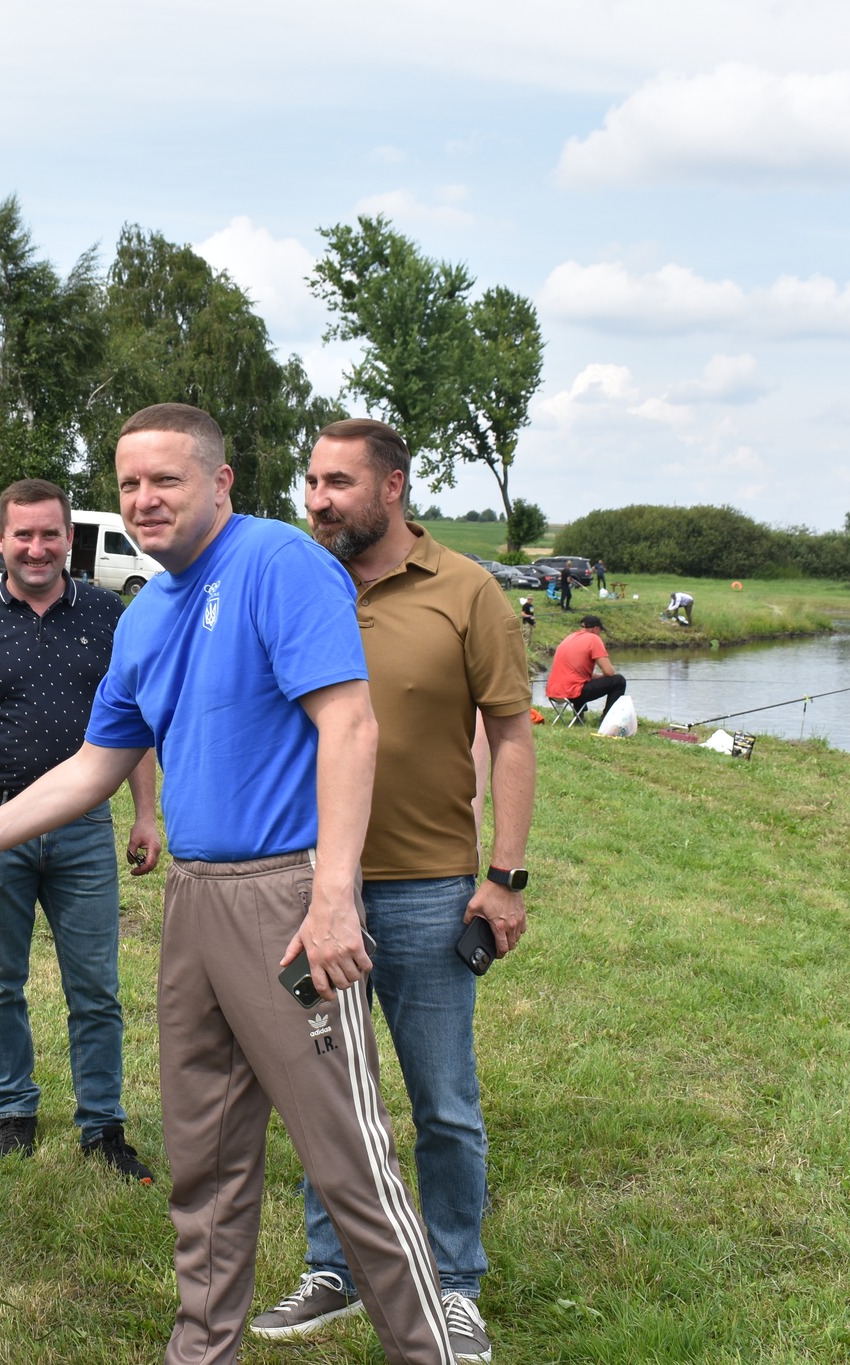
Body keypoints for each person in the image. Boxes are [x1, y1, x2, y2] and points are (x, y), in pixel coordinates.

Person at [0, 403, 459, 1364]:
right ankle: (203, 1349)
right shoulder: (148, 612)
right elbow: (95, 765)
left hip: (287, 898)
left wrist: (333, 896)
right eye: (129, 483)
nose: (145, 499)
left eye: (166, 478)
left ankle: (429, 1348)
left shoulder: (280, 563)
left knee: (348, 1161)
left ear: (220, 480)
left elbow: (350, 725)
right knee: (205, 1157)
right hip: (194, 901)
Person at [248, 417, 533, 1361]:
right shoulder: (301, 582)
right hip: (306, 881)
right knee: (326, 1089)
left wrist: (504, 876)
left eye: (338, 482)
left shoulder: (467, 591)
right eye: (311, 482)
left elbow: (512, 735)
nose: (318, 500)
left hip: (426, 890)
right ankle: (334, 1267)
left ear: (393, 486)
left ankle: (454, 1283)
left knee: (442, 1099)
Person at [0, 477, 161, 1178]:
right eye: (23, 535)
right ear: (0, 540)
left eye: (50, 534)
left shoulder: (106, 613)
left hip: (84, 827)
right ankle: (13, 1111)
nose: (37, 548)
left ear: (70, 538)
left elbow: (134, 724)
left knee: (96, 985)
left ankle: (103, 1125)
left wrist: (145, 813)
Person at [546, 614, 626, 722]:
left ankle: (579, 718)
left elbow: (575, 671)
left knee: (581, 681)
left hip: (553, 692)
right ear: (596, 628)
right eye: (600, 631)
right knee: (619, 680)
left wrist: (598, 677)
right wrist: (604, 676)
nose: (600, 634)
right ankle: (607, 720)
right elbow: (609, 672)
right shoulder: (594, 639)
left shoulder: (570, 637)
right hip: (572, 693)